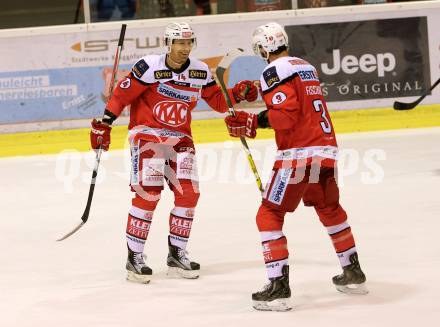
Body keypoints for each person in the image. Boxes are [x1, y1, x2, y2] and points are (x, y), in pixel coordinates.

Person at [90, 22, 258, 284]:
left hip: (181, 139)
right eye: (179, 43)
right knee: (149, 194)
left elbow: (217, 101)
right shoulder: (149, 67)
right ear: (168, 44)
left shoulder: (200, 71)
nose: (184, 48)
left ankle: (176, 253)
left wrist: (237, 93)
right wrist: (105, 123)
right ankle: (134, 257)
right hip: (148, 136)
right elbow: (121, 95)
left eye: (189, 43)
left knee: (189, 194)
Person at [225, 22, 367, 311]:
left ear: (262, 48)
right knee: (330, 209)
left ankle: (278, 287)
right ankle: (353, 272)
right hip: (325, 150)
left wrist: (252, 121)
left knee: (269, 213)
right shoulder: (305, 66)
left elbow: (286, 116)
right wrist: (254, 89)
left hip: (298, 155)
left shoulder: (274, 71)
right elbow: (296, 100)